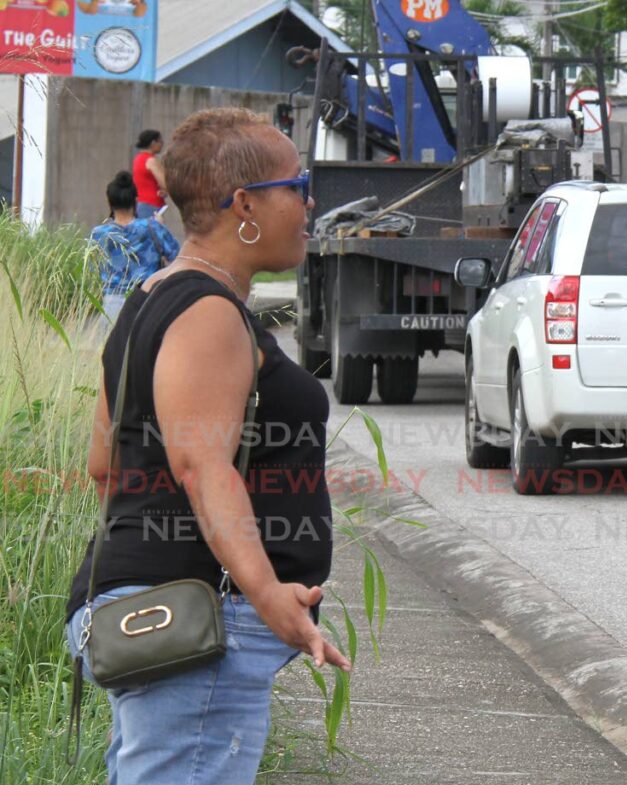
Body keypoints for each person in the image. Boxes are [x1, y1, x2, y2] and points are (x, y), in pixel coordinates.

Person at [67, 108, 349, 785]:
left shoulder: (148, 299)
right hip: (197, 620)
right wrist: (266, 593)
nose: (309, 201)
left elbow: (105, 467)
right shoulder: (210, 314)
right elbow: (200, 465)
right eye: (297, 183)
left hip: (147, 607)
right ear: (244, 204)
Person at [90, 170, 180, 324]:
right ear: (135, 201)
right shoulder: (152, 227)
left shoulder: (99, 234)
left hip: (112, 304)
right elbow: (176, 256)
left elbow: (93, 269)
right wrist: (160, 225)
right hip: (148, 302)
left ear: (110, 203)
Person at [131, 129, 167, 219]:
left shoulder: (138, 158)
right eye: (160, 141)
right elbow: (165, 183)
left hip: (140, 203)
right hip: (151, 204)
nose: (162, 144)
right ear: (152, 143)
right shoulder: (151, 160)